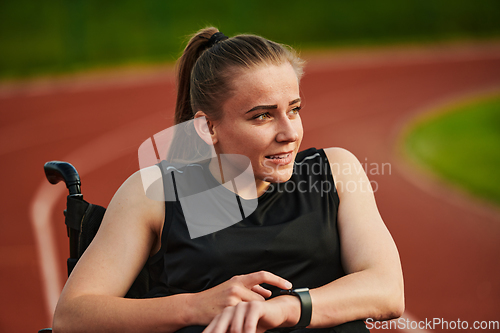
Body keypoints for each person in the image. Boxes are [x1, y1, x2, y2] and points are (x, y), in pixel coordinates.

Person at [53, 27, 404, 333]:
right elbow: (73, 316)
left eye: (294, 109)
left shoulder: (336, 171)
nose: (289, 133)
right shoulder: (155, 193)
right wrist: (195, 306)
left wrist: (283, 309)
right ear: (208, 127)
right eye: (263, 116)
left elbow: (387, 290)